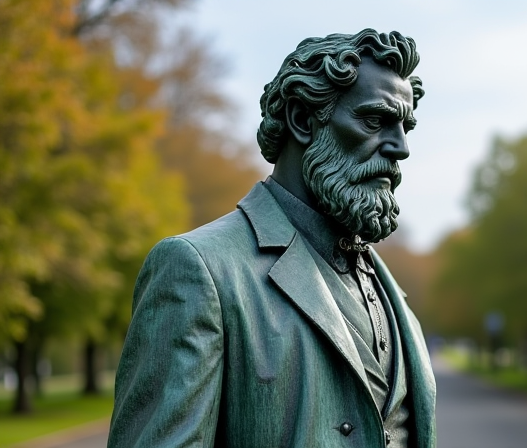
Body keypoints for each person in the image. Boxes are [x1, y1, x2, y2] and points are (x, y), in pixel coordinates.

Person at [108, 28, 436, 448]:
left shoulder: (392, 294)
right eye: (375, 120)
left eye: (405, 126)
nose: (400, 147)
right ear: (302, 120)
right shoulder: (197, 269)